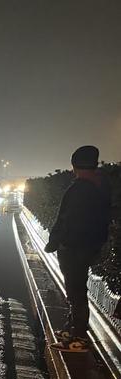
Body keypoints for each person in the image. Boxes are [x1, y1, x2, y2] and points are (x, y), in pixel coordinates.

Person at [45, 145, 111, 353]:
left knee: (76, 291)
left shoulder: (81, 189)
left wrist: (57, 241)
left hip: (75, 248)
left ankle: (79, 337)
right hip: (85, 247)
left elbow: (67, 220)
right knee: (75, 290)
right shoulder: (97, 187)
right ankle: (72, 329)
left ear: (75, 165)